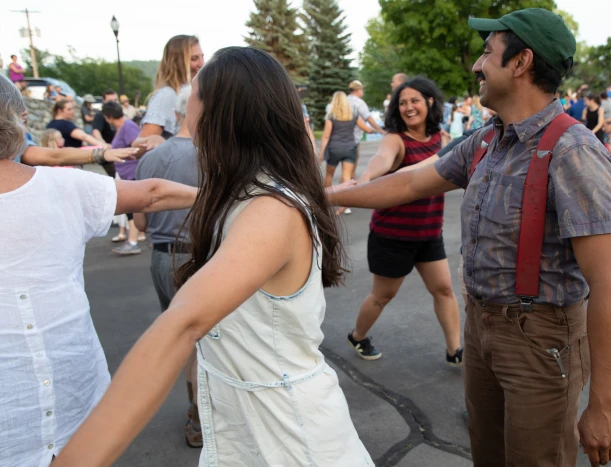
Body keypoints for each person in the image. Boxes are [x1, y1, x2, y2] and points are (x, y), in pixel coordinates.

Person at [329, 9, 611, 467]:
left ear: (522, 61)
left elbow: (608, 285)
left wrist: (604, 405)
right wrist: (318, 197)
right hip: (482, 326)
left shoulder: (575, 150)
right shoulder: (488, 139)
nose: (476, 65)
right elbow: (409, 182)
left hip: (540, 340)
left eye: (488, 53)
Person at [53, 46, 373, 467]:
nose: (184, 112)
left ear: (219, 113)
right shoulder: (244, 195)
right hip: (242, 427)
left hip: (290, 439)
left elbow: (180, 324)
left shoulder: (271, 211)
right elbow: (166, 195)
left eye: (193, 98)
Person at [0, 72, 198, 467]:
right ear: (19, 118)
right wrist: (248, 197)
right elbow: (154, 193)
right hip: (76, 399)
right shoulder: (62, 188)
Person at [346, 77, 462, 366]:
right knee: (382, 296)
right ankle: (358, 335)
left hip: (428, 234)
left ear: (429, 102)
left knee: (444, 290)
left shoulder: (442, 139)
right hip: (392, 236)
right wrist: (366, 179)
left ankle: (455, 351)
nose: (409, 107)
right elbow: (383, 159)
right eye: (403, 103)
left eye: (415, 101)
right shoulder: (395, 139)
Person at [133, 85, 203, 448]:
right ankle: (199, 417)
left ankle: (197, 411)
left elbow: (140, 224)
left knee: (180, 339)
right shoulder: (211, 155)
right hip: (195, 258)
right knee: (198, 343)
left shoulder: (150, 159)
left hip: (160, 257)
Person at [133, 35, 204, 151]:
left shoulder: (193, 91)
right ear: (177, 62)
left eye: (202, 57)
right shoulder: (167, 95)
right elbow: (138, 147)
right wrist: (160, 142)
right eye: (194, 59)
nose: (202, 63)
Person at [102, 101, 147, 254]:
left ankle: (133, 241)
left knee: (132, 207)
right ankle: (132, 240)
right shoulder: (123, 127)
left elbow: (138, 147)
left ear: (108, 117)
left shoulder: (127, 126)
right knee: (130, 208)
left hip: (132, 172)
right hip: (125, 173)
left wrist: (123, 155)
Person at [319, 90, 373, 212]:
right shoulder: (353, 115)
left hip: (334, 148)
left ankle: (325, 202)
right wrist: (377, 130)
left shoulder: (331, 117)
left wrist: (321, 153)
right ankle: (346, 205)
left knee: (329, 175)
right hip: (349, 148)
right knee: (347, 176)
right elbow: (366, 129)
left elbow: (326, 135)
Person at [347, 80, 386, 183]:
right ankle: (350, 193)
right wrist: (380, 130)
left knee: (345, 171)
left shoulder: (344, 101)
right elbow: (368, 118)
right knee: (352, 169)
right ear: (358, 90)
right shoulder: (359, 103)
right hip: (354, 139)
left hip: (340, 139)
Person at [91, 89, 120, 177]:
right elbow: (95, 131)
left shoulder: (118, 114)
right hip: (109, 152)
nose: (114, 103)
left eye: (115, 100)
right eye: (110, 101)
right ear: (104, 101)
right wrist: (103, 144)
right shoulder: (101, 115)